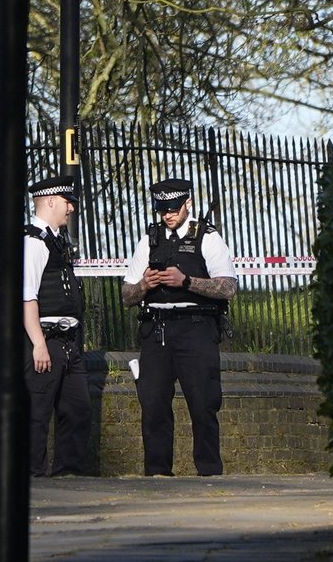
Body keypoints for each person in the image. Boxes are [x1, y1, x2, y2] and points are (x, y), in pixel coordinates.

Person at [121, 177, 237, 476]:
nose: (168, 215)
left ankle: (209, 471)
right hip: (156, 329)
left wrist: (186, 282)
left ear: (188, 203)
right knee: (154, 405)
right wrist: (144, 285)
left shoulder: (208, 237)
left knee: (203, 403)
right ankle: (157, 474)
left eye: (173, 208)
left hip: (195, 328)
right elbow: (126, 295)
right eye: (162, 209)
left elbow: (228, 288)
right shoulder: (149, 240)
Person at [23, 174, 92, 477]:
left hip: (67, 343)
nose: (72, 208)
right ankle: (34, 476)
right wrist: (38, 343)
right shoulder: (33, 242)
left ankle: (68, 474)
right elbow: (27, 297)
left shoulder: (56, 241)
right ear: (51, 201)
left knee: (78, 409)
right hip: (46, 340)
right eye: (68, 202)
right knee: (37, 413)